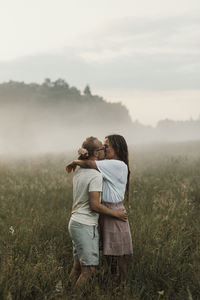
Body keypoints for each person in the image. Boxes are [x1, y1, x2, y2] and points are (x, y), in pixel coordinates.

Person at [67, 134, 133, 279]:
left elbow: (91, 163)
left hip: (113, 210)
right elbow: (92, 156)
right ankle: (113, 283)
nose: (104, 148)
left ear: (116, 148)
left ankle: (122, 284)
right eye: (103, 146)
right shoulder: (106, 164)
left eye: (107, 145)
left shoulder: (117, 164)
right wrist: (83, 152)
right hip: (102, 210)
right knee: (108, 252)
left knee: (119, 253)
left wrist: (75, 161)